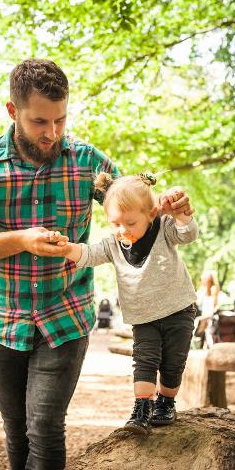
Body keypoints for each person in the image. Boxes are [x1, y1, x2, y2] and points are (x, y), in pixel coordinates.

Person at [0, 59, 193, 470]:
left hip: (66, 317)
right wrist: (21, 239)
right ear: (12, 111)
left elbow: (130, 205)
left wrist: (166, 207)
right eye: (40, 121)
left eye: (60, 120)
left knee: (44, 427)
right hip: (4, 322)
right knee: (17, 429)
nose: (52, 132)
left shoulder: (87, 164)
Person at [56, 172, 198, 434]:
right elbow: (89, 254)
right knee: (144, 359)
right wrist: (66, 249)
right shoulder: (113, 244)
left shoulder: (164, 227)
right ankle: (142, 407)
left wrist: (182, 214)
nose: (123, 231)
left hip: (178, 311)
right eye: (115, 224)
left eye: (130, 223)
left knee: (173, 362)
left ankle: (166, 402)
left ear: (150, 214)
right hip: (143, 317)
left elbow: (187, 234)